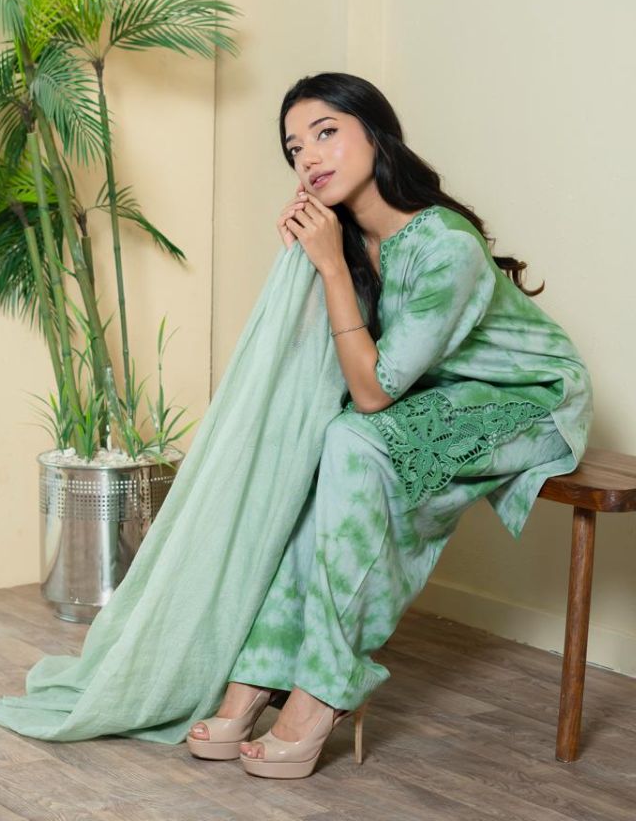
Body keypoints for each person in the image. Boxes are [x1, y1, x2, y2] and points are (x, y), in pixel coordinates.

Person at [186, 71, 593, 780]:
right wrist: (316, 261)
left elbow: (372, 394)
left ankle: (322, 691)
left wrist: (329, 271)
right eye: (294, 148)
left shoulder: (445, 245)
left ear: (376, 134)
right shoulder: (351, 241)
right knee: (326, 460)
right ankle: (258, 676)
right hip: (448, 399)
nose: (309, 157)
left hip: (532, 401)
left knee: (353, 437)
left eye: (326, 133)